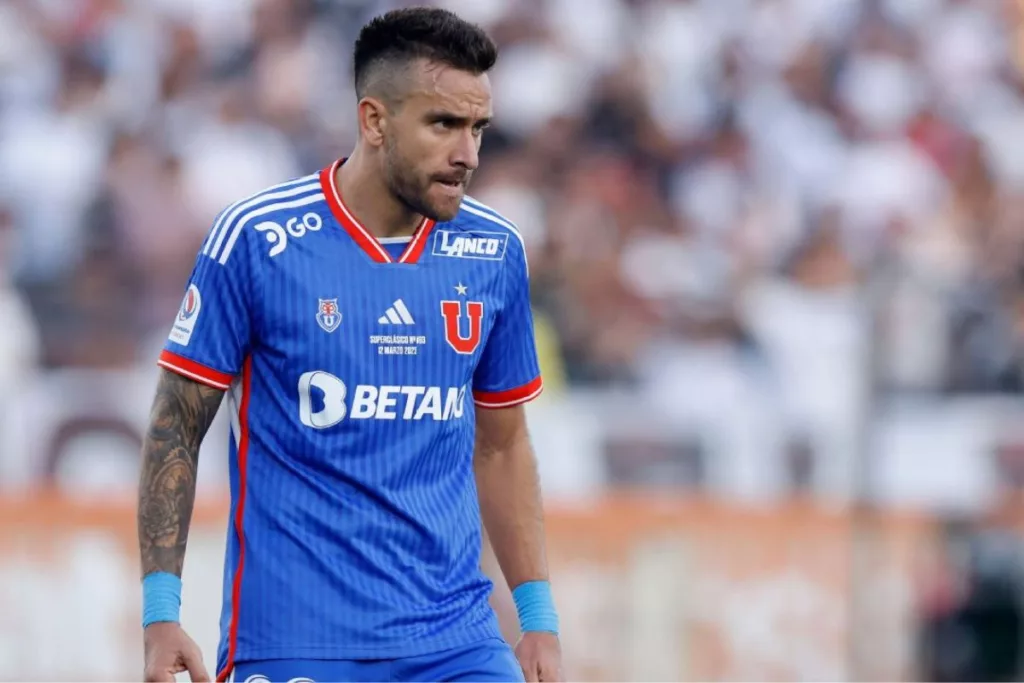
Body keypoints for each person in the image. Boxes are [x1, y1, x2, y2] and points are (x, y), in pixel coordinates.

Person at [136, 7, 563, 682]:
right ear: (374, 120)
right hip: (295, 642)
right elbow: (174, 427)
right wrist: (161, 611)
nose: (468, 154)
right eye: (444, 124)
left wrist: (537, 619)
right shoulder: (257, 240)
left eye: (477, 128)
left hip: (456, 643)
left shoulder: (493, 250)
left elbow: (503, 443)